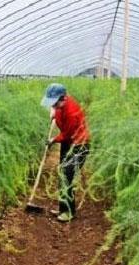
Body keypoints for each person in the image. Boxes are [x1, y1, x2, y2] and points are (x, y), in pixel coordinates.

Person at [41, 83, 90, 222]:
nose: (53, 105)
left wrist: (52, 140)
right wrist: (54, 113)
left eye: (55, 103)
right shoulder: (60, 106)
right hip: (68, 143)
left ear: (62, 98)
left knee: (66, 177)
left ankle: (69, 212)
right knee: (62, 173)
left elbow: (67, 134)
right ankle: (63, 208)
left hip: (78, 145)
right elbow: (57, 112)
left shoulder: (71, 112)